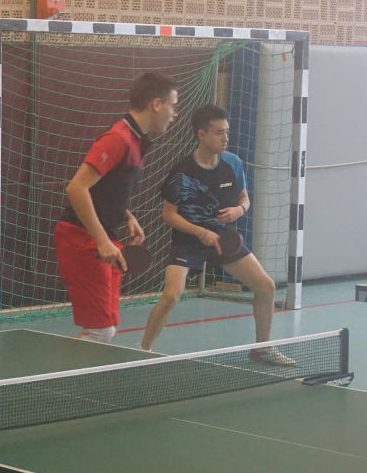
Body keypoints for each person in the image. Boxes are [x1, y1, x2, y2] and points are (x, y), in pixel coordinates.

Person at [139, 104, 291, 364]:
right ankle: (142, 351)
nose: (225, 138)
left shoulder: (232, 163)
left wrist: (239, 210)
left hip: (224, 241)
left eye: (227, 132)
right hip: (189, 244)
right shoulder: (183, 171)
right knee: (171, 296)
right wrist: (200, 232)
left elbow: (244, 198)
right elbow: (169, 215)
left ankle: (262, 348)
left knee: (266, 287)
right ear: (202, 135)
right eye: (219, 133)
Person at [54, 72, 179, 343]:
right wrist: (102, 241)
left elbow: (105, 190)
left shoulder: (135, 141)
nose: (175, 114)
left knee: (105, 328)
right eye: (173, 105)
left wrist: (126, 215)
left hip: (103, 238)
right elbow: (76, 189)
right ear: (156, 104)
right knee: (101, 331)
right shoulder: (118, 138)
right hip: (81, 238)